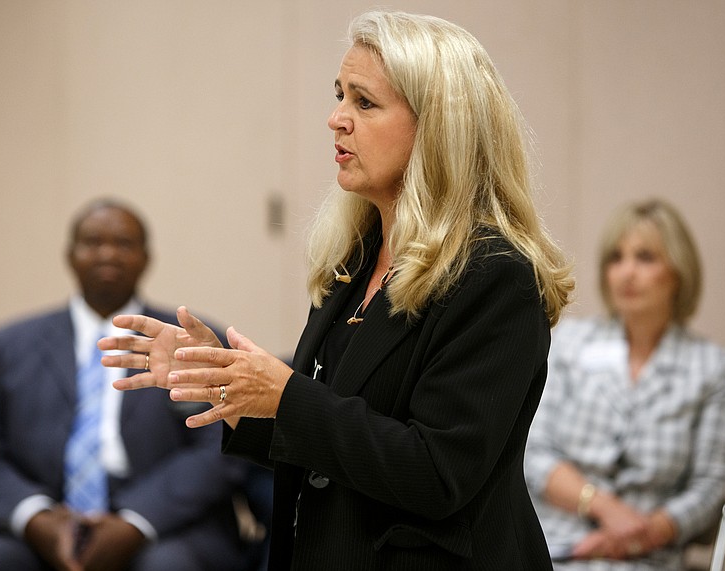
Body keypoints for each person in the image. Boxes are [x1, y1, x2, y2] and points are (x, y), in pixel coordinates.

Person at [99, 10, 573, 570]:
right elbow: (331, 444)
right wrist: (226, 386)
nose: (335, 119)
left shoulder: (495, 275)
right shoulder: (355, 259)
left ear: (438, 127)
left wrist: (285, 396)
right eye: (339, 95)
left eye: (363, 102)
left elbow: (438, 473)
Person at [0, 199, 269, 571]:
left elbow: (218, 449)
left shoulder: (190, 340)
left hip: (167, 522)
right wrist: (37, 519)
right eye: (92, 242)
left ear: (146, 258)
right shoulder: (7, 346)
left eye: (123, 243)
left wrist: (136, 521)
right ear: (70, 256)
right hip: (44, 516)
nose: (108, 253)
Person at [525, 199, 725, 570]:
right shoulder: (569, 343)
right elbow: (533, 452)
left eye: (645, 257)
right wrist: (608, 510)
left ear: (678, 271)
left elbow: (708, 488)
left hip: (648, 557)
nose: (626, 273)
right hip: (555, 549)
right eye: (616, 258)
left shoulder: (713, 368)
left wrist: (637, 535)